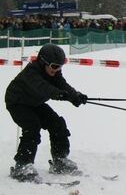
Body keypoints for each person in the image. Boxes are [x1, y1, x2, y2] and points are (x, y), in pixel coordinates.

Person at [5, 43, 88, 182]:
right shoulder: (31, 72)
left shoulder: (53, 73)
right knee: (32, 126)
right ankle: (22, 165)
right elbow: (43, 88)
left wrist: (75, 96)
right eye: (55, 66)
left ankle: (60, 160)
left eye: (60, 66)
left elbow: (62, 84)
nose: (57, 69)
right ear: (43, 62)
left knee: (57, 123)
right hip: (17, 103)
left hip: (34, 103)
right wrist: (60, 94)